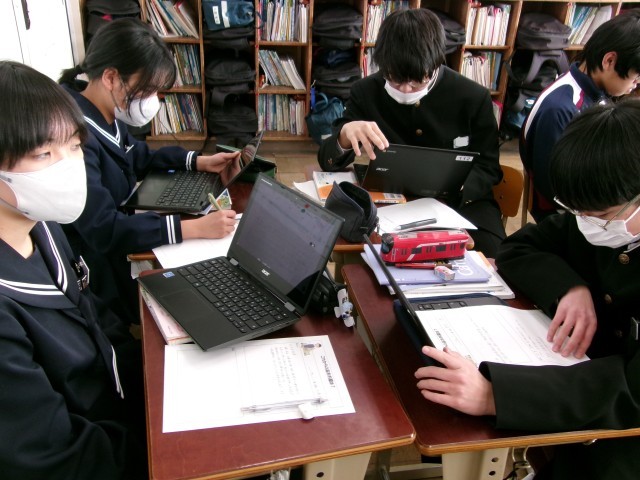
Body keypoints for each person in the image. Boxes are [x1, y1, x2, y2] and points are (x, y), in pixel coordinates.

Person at [414, 100, 640, 480]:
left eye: (601, 216)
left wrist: (496, 396)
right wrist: (570, 287)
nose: (586, 224)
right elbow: (517, 248)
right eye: (577, 211)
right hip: (571, 376)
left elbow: (630, 390)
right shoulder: (593, 217)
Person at [0, 61, 146, 479]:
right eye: (43, 154)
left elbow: (93, 314)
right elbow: (56, 458)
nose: (67, 166)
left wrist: (158, 372)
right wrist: (165, 449)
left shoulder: (42, 226)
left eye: (74, 146)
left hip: (122, 403)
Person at [58, 17, 241, 324]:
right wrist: (192, 229)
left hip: (122, 237)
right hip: (99, 271)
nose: (151, 101)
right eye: (146, 90)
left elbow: (135, 154)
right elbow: (104, 229)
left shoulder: (101, 109)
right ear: (111, 77)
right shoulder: (74, 139)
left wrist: (197, 161)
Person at [317, 9, 505, 257]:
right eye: (395, 80)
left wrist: (455, 187)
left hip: (461, 205)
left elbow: (489, 167)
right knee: (362, 253)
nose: (406, 89)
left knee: (492, 260)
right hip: (390, 204)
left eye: (417, 81)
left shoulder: (472, 97)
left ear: (436, 62)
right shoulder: (365, 91)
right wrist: (344, 135)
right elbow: (328, 161)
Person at [521, 9, 640, 222]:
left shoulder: (597, 94)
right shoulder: (560, 108)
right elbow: (554, 187)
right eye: (636, 77)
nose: (635, 85)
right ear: (609, 61)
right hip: (568, 213)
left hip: (598, 197)